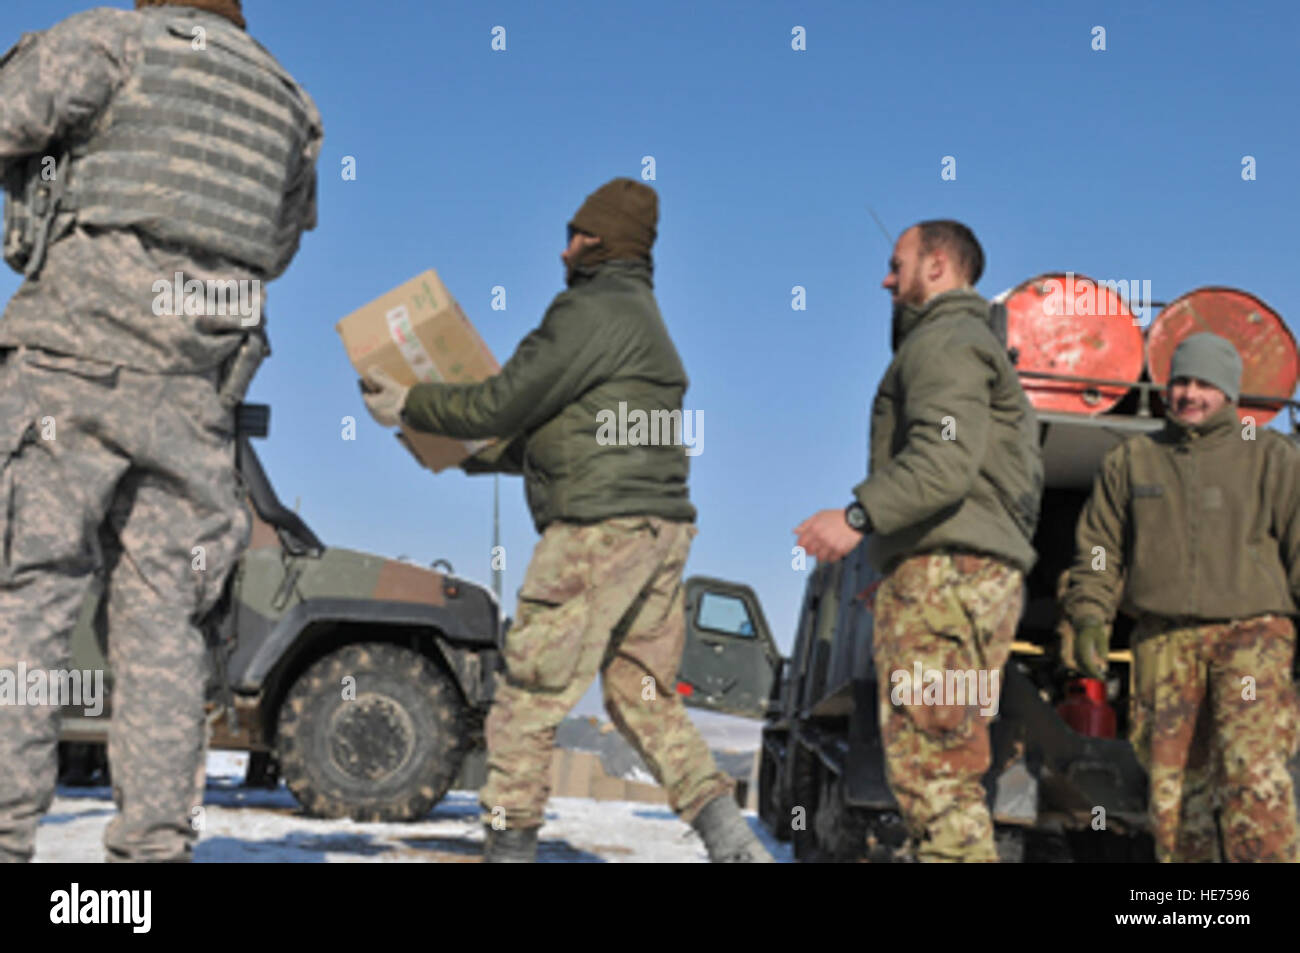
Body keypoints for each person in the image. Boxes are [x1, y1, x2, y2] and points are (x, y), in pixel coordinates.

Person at [360, 178, 771, 863]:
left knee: (527, 697)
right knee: (642, 696)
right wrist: (461, 455)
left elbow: (501, 401)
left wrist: (412, 404)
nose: (562, 248)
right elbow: (569, 442)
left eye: (574, 234)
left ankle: (509, 849)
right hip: (658, 534)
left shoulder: (587, 312)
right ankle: (733, 842)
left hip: (596, 534)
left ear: (599, 241)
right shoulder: (643, 319)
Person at [0, 0, 322, 862]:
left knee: (26, 603)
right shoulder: (290, 102)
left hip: (72, 357)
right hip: (195, 396)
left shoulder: (115, 39)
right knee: (164, 630)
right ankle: (148, 862)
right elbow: (279, 245)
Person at [795, 220, 1043, 862]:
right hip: (955, 576)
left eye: (896, 263)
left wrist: (855, 519)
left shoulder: (945, 341)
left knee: (933, 775)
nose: (885, 278)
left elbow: (942, 461)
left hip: (946, 579)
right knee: (947, 770)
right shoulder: (972, 344)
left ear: (936, 266)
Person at [1061, 332, 1300, 862]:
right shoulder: (1134, 460)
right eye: (1181, 381)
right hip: (1162, 643)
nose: (1190, 393)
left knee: (1253, 780)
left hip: (1252, 639)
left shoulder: (1271, 457)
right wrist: (1089, 617)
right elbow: (1100, 549)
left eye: (1205, 384)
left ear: (1230, 393)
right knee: (1171, 796)